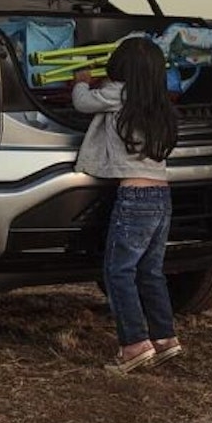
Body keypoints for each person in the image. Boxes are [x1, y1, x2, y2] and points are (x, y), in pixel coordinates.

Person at [73, 36, 185, 373]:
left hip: (134, 197)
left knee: (118, 272)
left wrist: (81, 81)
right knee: (150, 271)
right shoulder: (160, 102)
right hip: (161, 196)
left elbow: (82, 103)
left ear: (121, 69)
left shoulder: (116, 93)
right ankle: (165, 338)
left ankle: (134, 344)